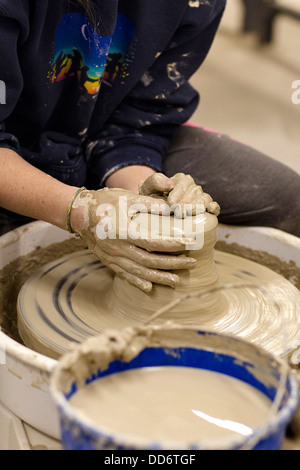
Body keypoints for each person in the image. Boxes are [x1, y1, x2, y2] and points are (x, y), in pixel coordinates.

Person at [0, 0, 299, 292]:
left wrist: (147, 191)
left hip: (92, 141)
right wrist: (80, 212)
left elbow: (138, 119)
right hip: (12, 163)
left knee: (287, 201)